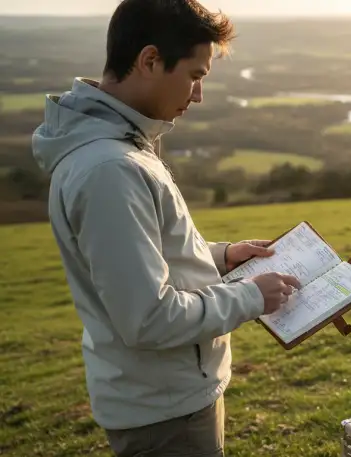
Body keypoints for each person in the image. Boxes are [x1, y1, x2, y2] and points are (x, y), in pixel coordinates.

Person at [30, 1, 300, 455]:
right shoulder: (110, 169)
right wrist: (252, 296)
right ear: (150, 60)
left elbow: (143, 261)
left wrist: (222, 256)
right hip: (164, 412)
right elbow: (148, 319)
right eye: (196, 75)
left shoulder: (120, 148)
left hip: (170, 397)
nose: (198, 95)